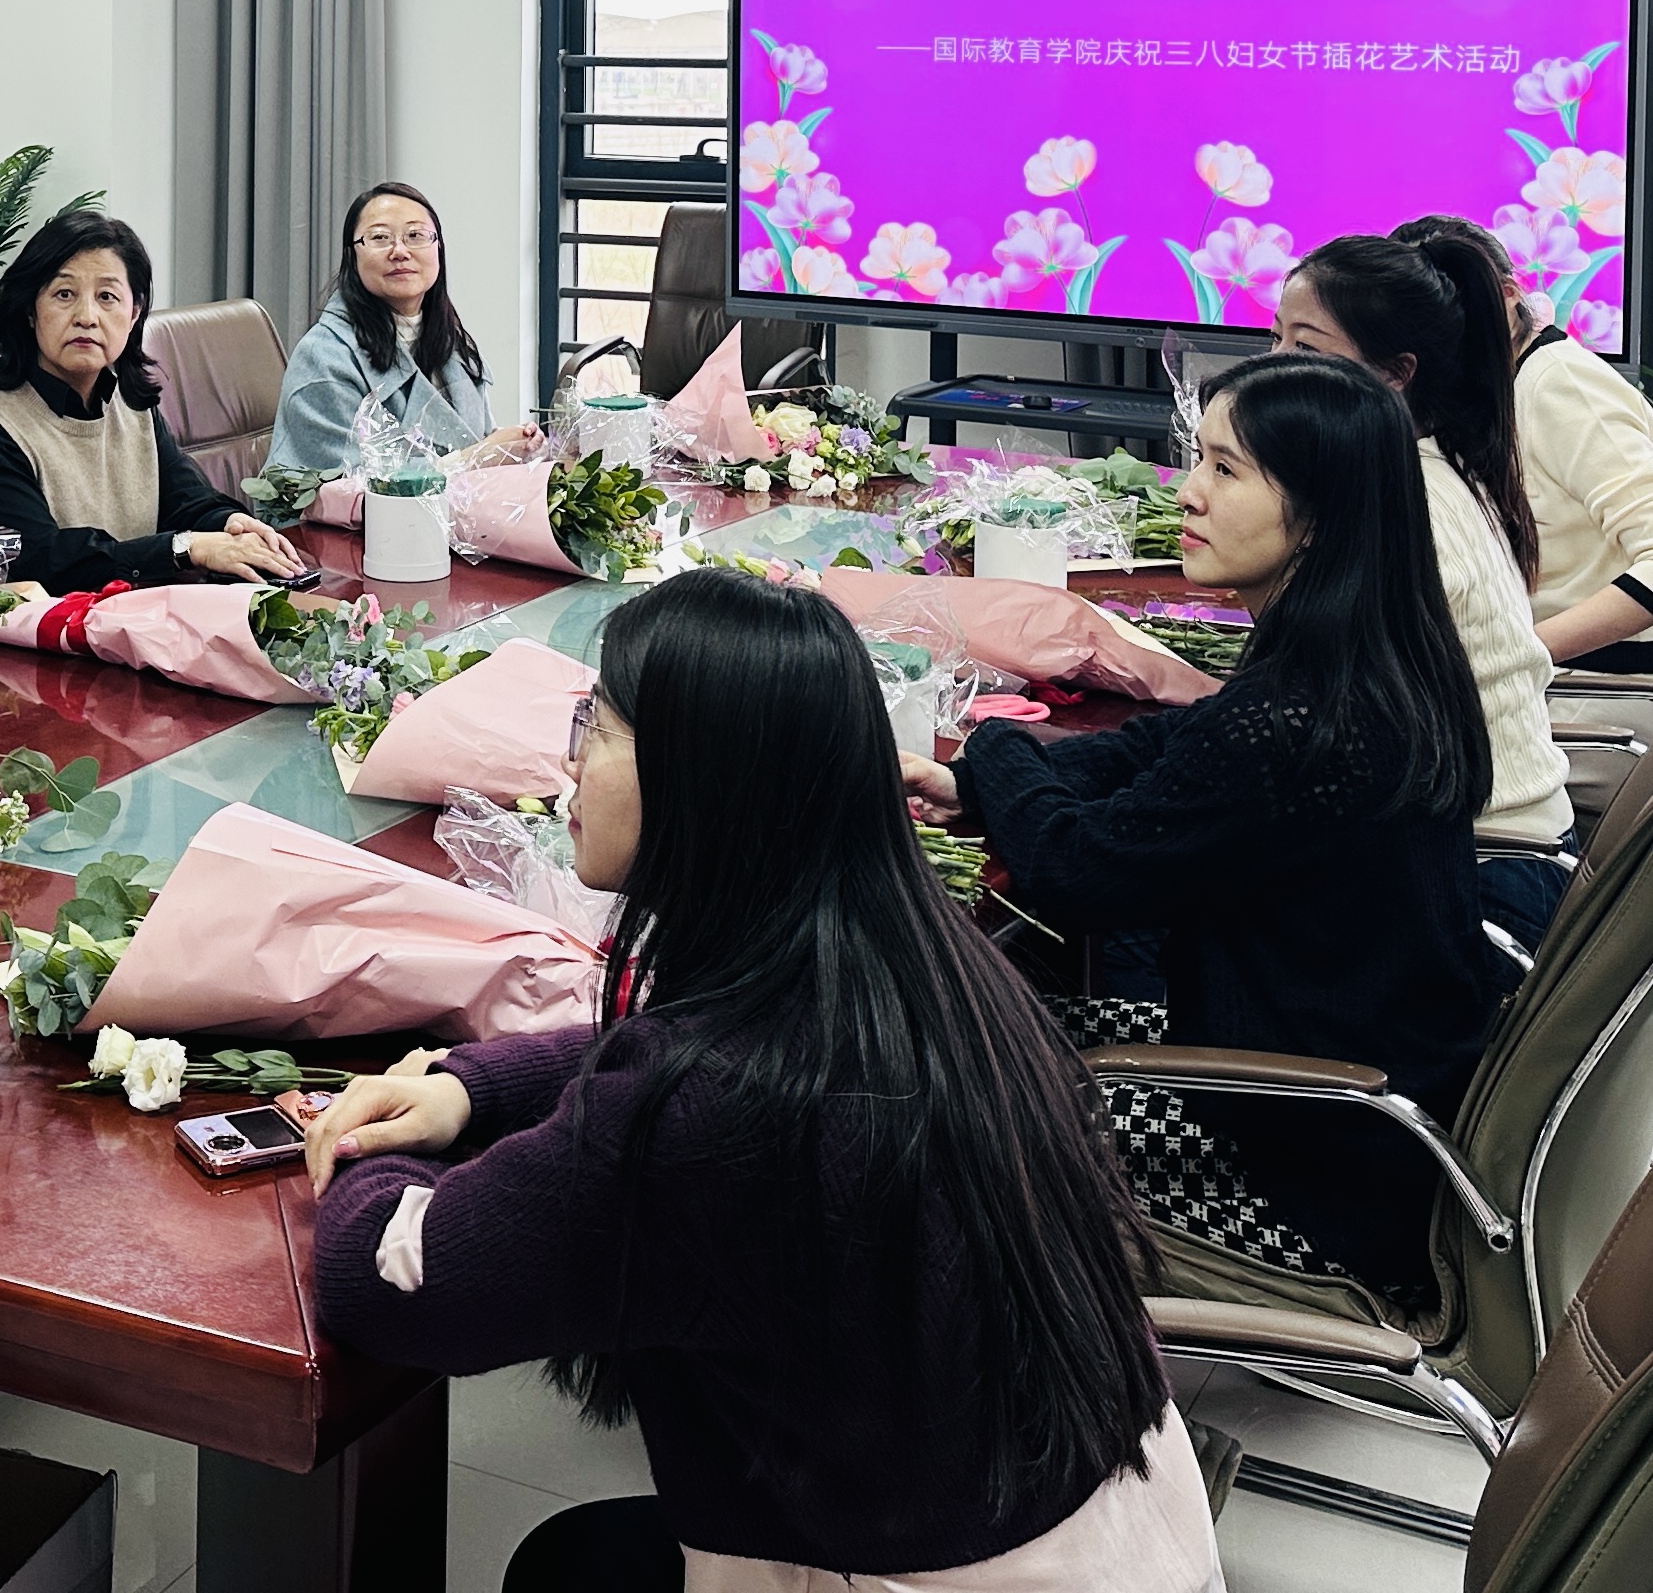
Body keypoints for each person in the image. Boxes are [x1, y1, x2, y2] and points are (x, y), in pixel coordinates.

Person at [304, 568, 1213, 1593]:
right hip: (1105, 1527)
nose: (567, 763)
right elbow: (669, 1053)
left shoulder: (706, 1118)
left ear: (704, 774)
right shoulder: (918, 960)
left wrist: (353, 1149)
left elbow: (389, 1283)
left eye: (595, 727)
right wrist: (473, 1085)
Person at [925, 354, 1512, 1302]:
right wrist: (972, 780)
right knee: (966, 1023)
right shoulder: (1373, 658)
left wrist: (993, 746)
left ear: (1318, 513)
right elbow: (1169, 744)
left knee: (919, 1103)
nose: (1189, 492)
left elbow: (1074, 870)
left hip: (1303, 1170)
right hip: (1353, 1106)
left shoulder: (1295, 724)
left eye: (1226, 469)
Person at [1274, 230, 1573, 942]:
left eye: (1306, 348)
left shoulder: (1407, 508)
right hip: (1490, 850)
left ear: (1396, 374)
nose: (1274, 366)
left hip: (1478, 880)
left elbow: (1311, 729)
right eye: (1274, 338)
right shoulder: (1435, 468)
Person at [1395, 212, 1653, 670]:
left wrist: (1510, 657)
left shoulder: (1561, 383)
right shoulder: (1499, 386)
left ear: (1509, 295)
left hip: (1599, 683)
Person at [0, 207, 305, 592]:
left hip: (131, 618)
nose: (87, 316)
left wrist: (231, 526)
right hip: (23, 629)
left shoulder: (129, 403)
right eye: (64, 294)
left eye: (107, 297)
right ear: (31, 310)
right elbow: (43, 561)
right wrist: (184, 548)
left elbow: (185, 501)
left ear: (134, 314)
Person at [266, 179, 498, 475]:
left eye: (415, 235)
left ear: (438, 248)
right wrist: (479, 457)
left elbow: (479, 441)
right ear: (352, 256)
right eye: (380, 238)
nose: (400, 251)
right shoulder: (322, 357)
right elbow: (352, 483)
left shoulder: (451, 342)